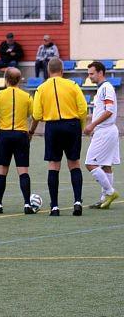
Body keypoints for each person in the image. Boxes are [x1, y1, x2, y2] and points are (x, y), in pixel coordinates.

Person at [30, 57, 88, 216]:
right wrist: (80, 126)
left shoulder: (41, 88)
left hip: (53, 126)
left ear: (48, 71)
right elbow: (83, 109)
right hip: (72, 125)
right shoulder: (73, 85)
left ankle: (55, 206)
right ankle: (77, 201)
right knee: (74, 163)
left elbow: (36, 114)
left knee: (54, 165)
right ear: (62, 70)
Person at [0, 67, 36, 214]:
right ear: (19, 80)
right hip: (21, 135)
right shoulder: (27, 96)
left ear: (5, 79)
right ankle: (27, 204)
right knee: (23, 170)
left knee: (2, 170)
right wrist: (31, 131)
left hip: (4, 135)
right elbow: (35, 116)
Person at [83, 61, 120, 209]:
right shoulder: (102, 89)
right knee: (106, 165)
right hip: (108, 130)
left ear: (100, 73)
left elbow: (109, 110)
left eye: (92, 73)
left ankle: (110, 192)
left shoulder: (106, 88)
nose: (89, 76)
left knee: (90, 163)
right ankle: (104, 199)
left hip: (105, 131)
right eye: (88, 74)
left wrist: (92, 125)